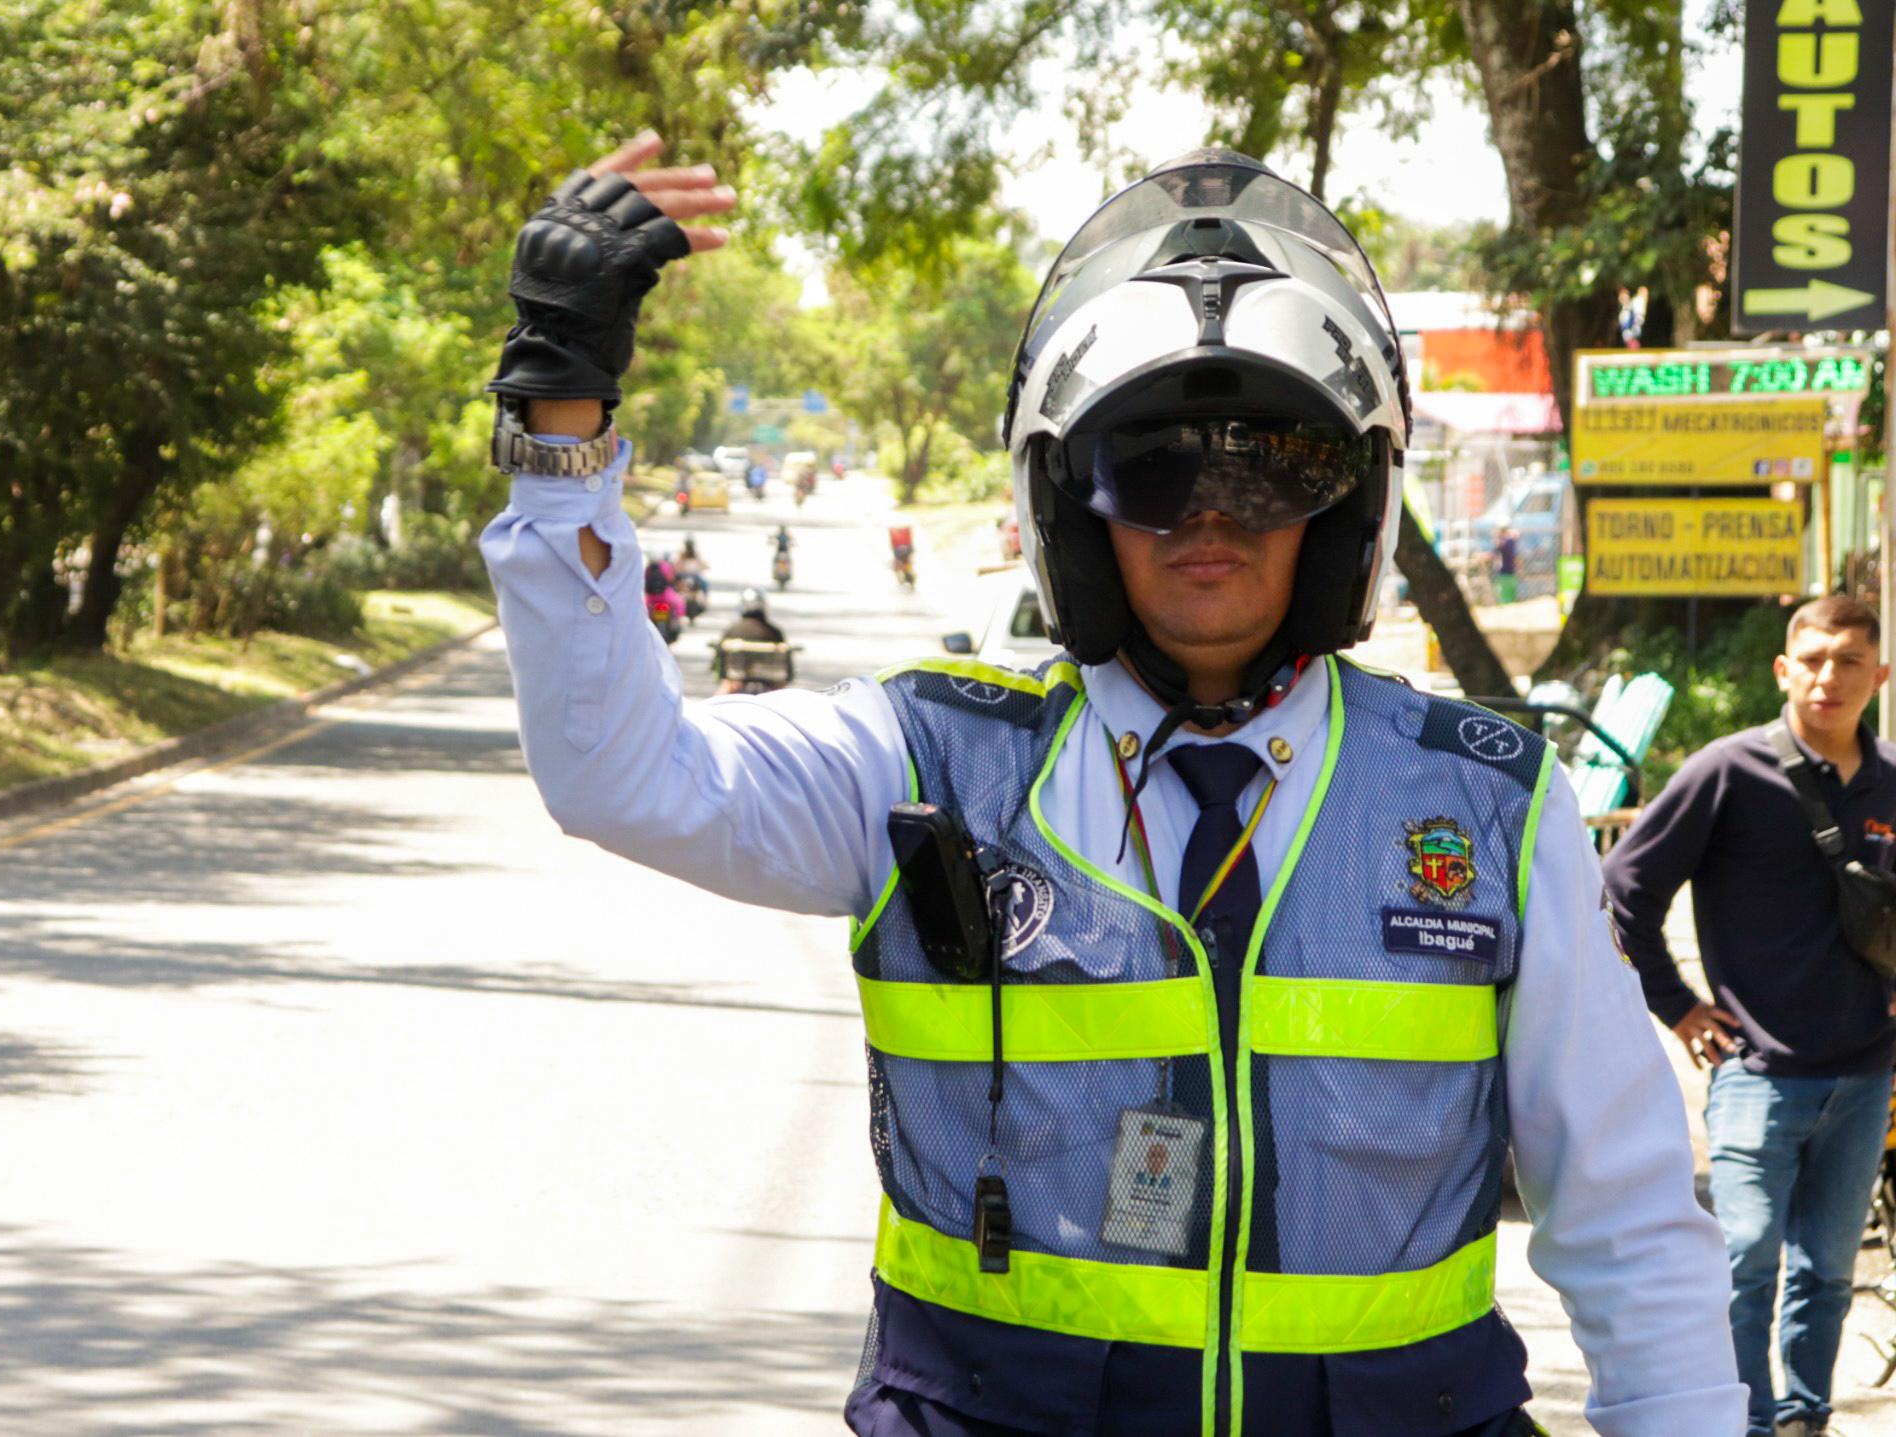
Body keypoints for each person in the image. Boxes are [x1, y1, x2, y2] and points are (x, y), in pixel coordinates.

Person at [479, 135, 1738, 1436]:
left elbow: (1628, 1213)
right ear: (1068, 507)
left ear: (1349, 505)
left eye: (1273, 464)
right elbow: (615, 772)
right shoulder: (926, 761)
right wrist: (558, 406)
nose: (1213, 512)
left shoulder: (1490, 801)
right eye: (1155, 465)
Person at [1603, 593, 1896, 1437]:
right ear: (1784, 668)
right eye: (1813, 658)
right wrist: (1678, 1005)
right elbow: (1623, 890)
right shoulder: (1728, 771)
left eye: (1849, 661)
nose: (1828, 677)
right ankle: (1745, 1421)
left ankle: (1806, 1417)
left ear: (1878, 676)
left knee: (1829, 1271)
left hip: (1866, 1072)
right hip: (1756, 1073)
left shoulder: (1890, 782)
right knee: (1743, 1263)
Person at [1493, 527, 1520, 605]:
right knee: (1511, 593)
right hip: (1511, 571)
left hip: (1504, 572)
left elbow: (1493, 554)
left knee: (1504, 595)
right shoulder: (1510, 542)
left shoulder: (1504, 543)